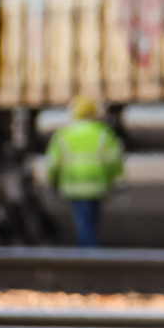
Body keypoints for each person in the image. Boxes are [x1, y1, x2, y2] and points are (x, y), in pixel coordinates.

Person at [45, 96, 125, 247]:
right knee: (91, 223)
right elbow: (114, 159)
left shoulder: (63, 135)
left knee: (84, 224)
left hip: (74, 185)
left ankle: (86, 257)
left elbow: (53, 162)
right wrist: (118, 183)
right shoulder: (103, 133)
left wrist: (51, 182)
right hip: (97, 186)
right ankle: (89, 256)